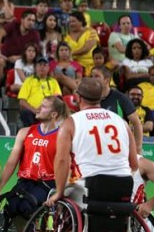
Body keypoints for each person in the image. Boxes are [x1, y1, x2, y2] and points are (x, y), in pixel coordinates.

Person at [46, 78, 137, 214]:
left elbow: (61, 161)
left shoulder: (71, 123)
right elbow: (134, 164)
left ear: (78, 97)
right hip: (124, 184)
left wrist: (59, 192)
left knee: (59, 197)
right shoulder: (121, 122)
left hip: (91, 185)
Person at [0, 96, 69, 225]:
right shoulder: (25, 132)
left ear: (53, 114)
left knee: (26, 207)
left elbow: (65, 165)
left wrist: (62, 192)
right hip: (25, 181)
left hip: (47, 183)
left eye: (43, 106)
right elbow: (11, 163)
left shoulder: (61, 136)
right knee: (12, 207)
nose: (37, 108)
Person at [92, 66, 144, 151]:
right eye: (92, 76)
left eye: (97, 76)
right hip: (95, 145)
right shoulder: (88, 98)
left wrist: (138, 147)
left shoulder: (120, 98)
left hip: (118, 146)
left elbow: (137, 123)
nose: (93, 79)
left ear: (107, 80)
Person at [0, 10, 40, 95]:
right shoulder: (13, 25)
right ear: (22, 20)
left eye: (33, 21)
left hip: (23, 61)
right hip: (5, 58)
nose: (31, 23)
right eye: (29, 19)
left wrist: (18, 58)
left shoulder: (35, 34)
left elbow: (35, 52)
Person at [18, 57, 62, 126]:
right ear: (35, 67)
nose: (42, 67)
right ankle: (31, 132)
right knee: (25, 112)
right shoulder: (29, 80)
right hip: (33, 112)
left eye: (44, 65)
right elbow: (22, 101)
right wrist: (34, 110)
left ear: (48, 68)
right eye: (40, 65)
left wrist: (47, 110)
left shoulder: (53, 82)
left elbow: (58, 99)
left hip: (49, 111)